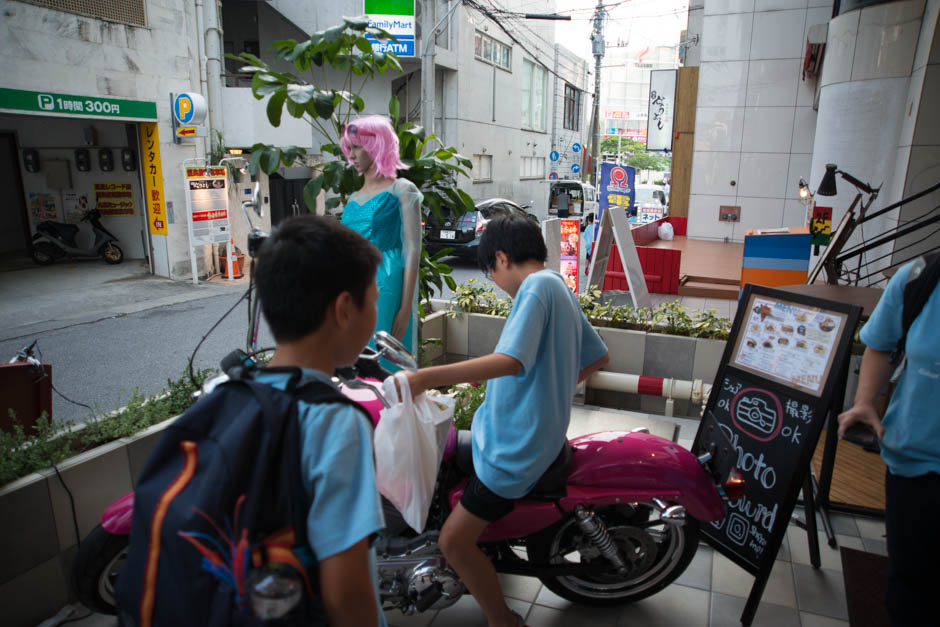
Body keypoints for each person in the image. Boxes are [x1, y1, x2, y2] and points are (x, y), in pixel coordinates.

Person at [402, 215, 610, 627]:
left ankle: (503, 620)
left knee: (454, 542)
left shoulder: (534, 288)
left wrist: (424, 378)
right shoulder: (557, 286)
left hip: (515, 449)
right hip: (522, 435)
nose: (495, 280)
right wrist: (544, 388)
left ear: (501, 257)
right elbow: (598, 357)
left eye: (490, 271)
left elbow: (511, 361)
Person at [253, 215, 388, 626]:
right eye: (375, 298)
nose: (377, 311)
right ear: (344, 309)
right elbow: (345, 591)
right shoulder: (335, 422)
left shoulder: (228, 390)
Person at [837, 254, 940, 627]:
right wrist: (865, 402)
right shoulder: (921, 277)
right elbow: (881, 341)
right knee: (910, 590)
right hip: (915, 465)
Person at [340, 115, 422, 358]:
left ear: (376, 146)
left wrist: (406, 308)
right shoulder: (353, 199)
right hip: (352, 283)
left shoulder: (402, 190)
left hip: (386, 281)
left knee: (383, 357)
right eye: (349, 148)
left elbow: (412, 249)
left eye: (357, 147)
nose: (351, 155)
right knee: (355, 357)